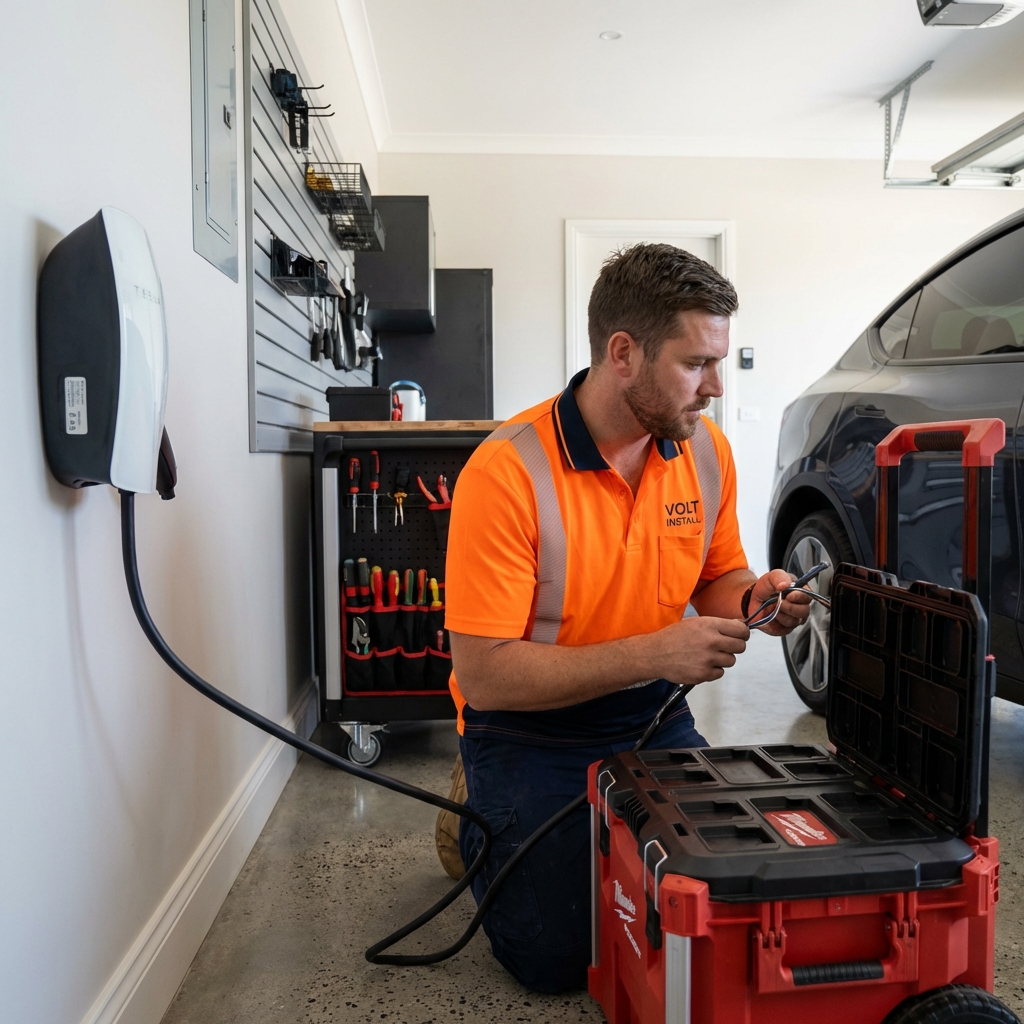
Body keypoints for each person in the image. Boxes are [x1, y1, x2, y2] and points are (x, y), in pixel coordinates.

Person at [441, 243, 811, 993]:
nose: (714, 386)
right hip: (525, 725)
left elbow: (717, 577)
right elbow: (482, 676)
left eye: (721, 360)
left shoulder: (704, 451)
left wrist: (755, 598)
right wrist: (656, 652)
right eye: (695, 363)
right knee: (556, 959)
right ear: (623, 354)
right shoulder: (507, 472)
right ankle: (468, 816)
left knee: (718, 901)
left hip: (653, 715)